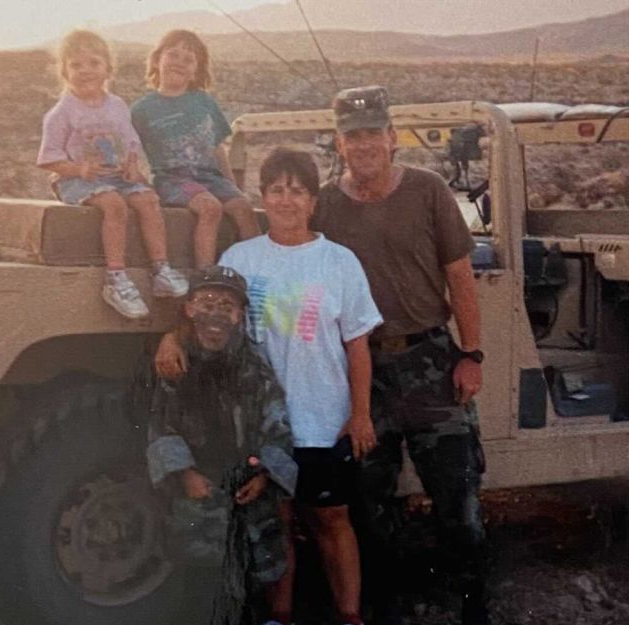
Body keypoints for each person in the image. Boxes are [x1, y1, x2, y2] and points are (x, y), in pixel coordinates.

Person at [156, 148, 383, 625]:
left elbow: (358, 346)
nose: (286, 200)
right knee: (274, 522)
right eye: (276, 190)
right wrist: (168, 337)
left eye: (297, 190)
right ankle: (279, 613)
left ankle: (350, 614)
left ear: (313, 201)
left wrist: (359, 414)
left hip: (323, 418)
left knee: (330, 520)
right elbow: (206, 317)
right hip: (259, 426)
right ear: (263, 198)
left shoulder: (339, 262)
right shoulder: (241, 257)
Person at [313, 85, 491, 625]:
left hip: (432, 362)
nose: (363, 144)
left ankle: (473, 604)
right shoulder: (325, 204)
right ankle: (386, 602)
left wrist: (472, 354)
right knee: (371, 502)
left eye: (373, 134)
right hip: (363, 373)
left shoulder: (428, 190)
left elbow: (459, 276)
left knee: (457, 498)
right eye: (352, 136)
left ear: (392, 138)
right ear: (340, 144)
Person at [146, 265, 297, 625]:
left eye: (227, 304)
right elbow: (160, 423)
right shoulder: (176, 362)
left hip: (249, 488)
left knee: (253, 581)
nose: (216, 312)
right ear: (189, 309)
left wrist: (264, 476)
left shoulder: (254, 362)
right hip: (200, 490)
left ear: (240, 314)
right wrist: (185, 475)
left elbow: (277, 421)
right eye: (206, 301)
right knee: (199, 583)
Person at [37, 29, 188, 319]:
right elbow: (48, 159)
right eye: (76, 65)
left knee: (148, 200)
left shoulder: (117, 106)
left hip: (117, 176)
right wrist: (79, 168)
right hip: (77, 181)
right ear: (64, 71)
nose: (86, 71)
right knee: (114, 205)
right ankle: (116, 278)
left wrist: (132, 165)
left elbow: (130, 141)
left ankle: (161, 269)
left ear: (108, 68)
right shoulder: (62, 112)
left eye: (94, 63)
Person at [130, 29, 260, 269]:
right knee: (210, 208)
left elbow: (217, 147)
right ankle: (205, 277)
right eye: (173, 54)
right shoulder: (142, 109)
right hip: (174, 180)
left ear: (196, 72)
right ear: (157, 60)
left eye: (188, 59)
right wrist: (143, 188)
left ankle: (262, 269)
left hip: (210, 177)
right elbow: (128, 152)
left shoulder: (204, 102)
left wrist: (232, 186)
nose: (179, 62)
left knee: (243, 208)